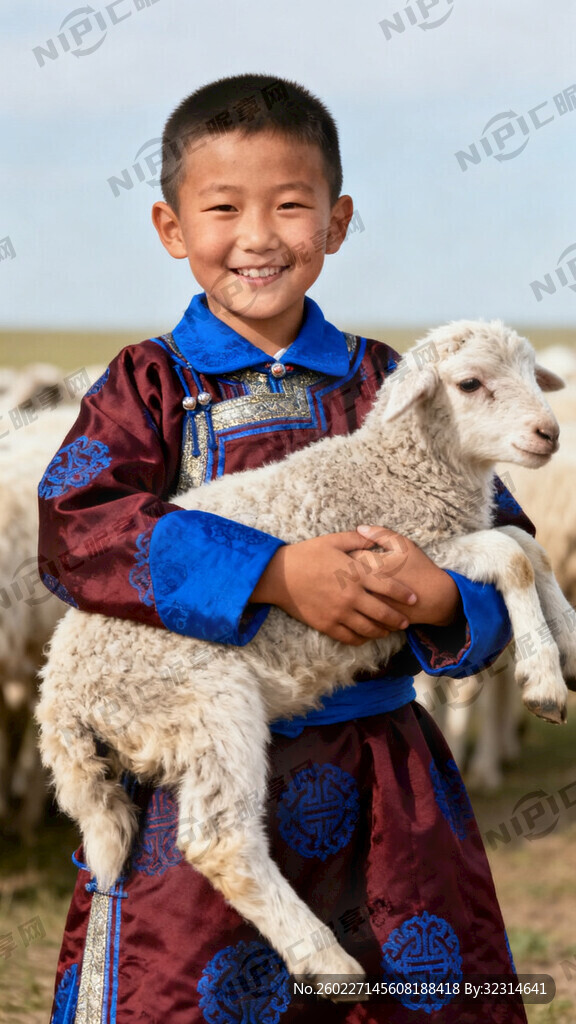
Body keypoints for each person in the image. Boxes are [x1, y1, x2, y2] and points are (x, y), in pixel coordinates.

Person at [39, 74, 531, 1024]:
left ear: (338, 222)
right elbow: (80, 532)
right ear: (172, 227)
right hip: (200, 774)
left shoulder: (402, 382)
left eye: (291, 205)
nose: (258, 237)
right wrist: (271, 571)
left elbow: (500, 541)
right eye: (222, 208)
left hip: (382, 784)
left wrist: (438, 598)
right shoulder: (149, 385)